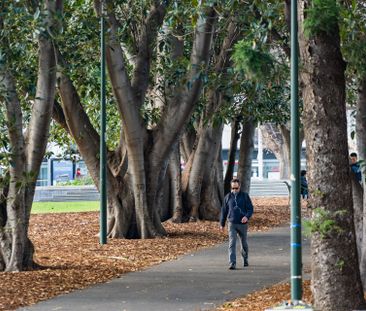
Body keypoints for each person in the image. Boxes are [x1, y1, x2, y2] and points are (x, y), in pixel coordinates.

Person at [220, 178, 254, 270]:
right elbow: (224, 211)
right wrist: (222, 224)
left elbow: (250, 209)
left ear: (240, 187)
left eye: (236, 188)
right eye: (233, 188)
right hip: (232, 223)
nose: (235, 190)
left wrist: (246, 217)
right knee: (232, 243)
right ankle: (232, 263)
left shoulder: (245, 196)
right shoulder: (228, 197)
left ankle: (245, 258)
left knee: (244, 244)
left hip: (243, 224)